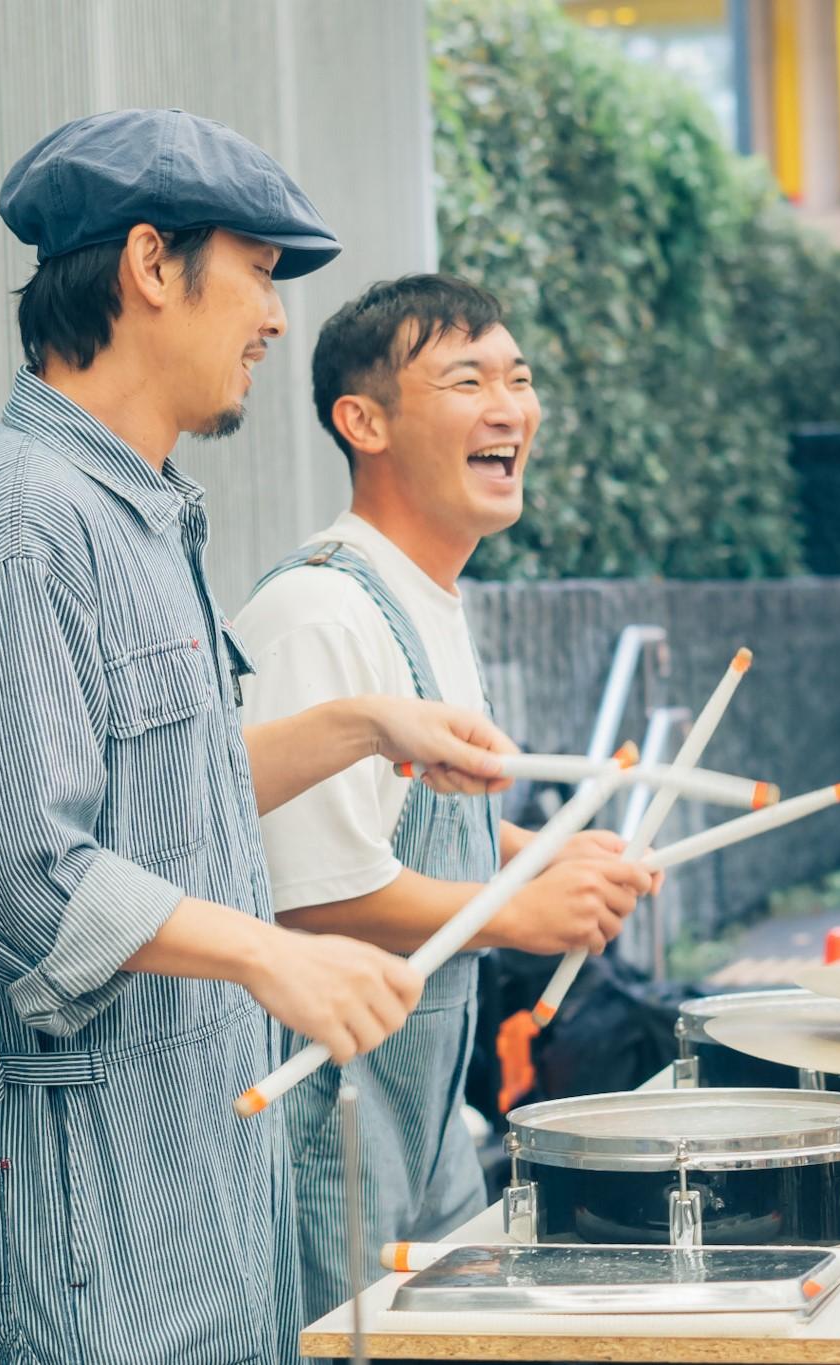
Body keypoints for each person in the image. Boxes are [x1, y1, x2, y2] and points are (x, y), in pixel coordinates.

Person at [0, 112, 515, 1365]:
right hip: (85, 1226)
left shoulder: (138, 512)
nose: (277, 318)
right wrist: (266, 953)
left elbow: (160, 795)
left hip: (191, 1188)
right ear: (150, 265)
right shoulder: (23, 524)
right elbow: (13, 868)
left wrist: (360, 726)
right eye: (258, 271)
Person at [234, 273, 659, 1325]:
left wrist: (539, 855)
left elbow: (405, 823)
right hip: (325, 1118)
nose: (509, 407)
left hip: (425, 1113)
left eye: (518, 378)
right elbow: (309, 898)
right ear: (364, 421)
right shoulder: (322, 612)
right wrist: (519, 913)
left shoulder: (425, 599)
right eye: (468, 382)